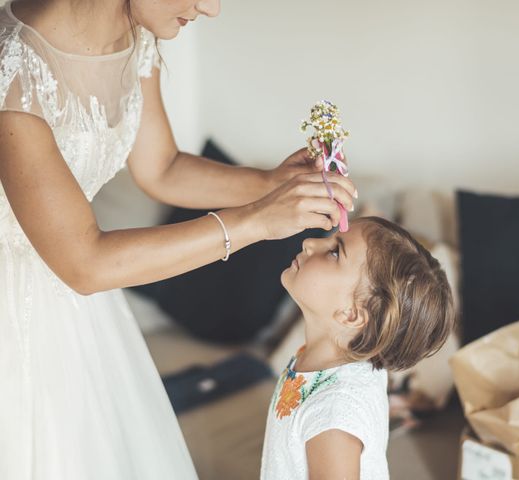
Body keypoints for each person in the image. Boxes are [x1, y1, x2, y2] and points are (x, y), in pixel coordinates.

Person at [0, 0, 357, 478]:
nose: (211, 9)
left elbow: (161, 167)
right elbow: (85, 263)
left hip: (76, 311)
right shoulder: (12, 73)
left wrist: (273, 183)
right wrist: (255, 221)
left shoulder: (135, 37)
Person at [260, 217, 457, 480]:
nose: (309, 242)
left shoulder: (333, 415)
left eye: (334, 252)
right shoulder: (324, 358)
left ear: (351, 314)